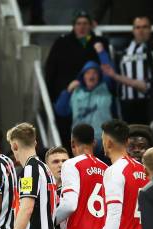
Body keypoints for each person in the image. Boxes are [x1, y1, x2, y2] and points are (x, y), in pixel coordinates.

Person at [44, 10, 108, 146]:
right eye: (79, 23)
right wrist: (52, 96)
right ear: (73, 26)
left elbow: (107, 69)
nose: (82, 27)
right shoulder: (62, 43)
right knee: (66, 135)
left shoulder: (99, 42)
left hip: (95, 97)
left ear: (91, 26)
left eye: (85, 23)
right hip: (67, 96)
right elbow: (50, 71)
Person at [113, 12, 153, 124]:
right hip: (127, 101)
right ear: (133, 30)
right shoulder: (122, 50)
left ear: (150, 29)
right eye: (138, 27)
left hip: (150, 101)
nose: (141, 30)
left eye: (145, 27)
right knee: (130, 136)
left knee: (149, 135)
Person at [54, 43, 115, 157]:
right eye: (88, 72)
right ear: (83, 76)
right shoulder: (75, 92)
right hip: (80, 142)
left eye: (95, 72)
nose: (91, 75)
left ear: (99, 76)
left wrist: (101, 52)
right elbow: (60, 111)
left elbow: (108, 71)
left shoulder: (105, 88)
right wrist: (67, 92)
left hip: (103, 142)